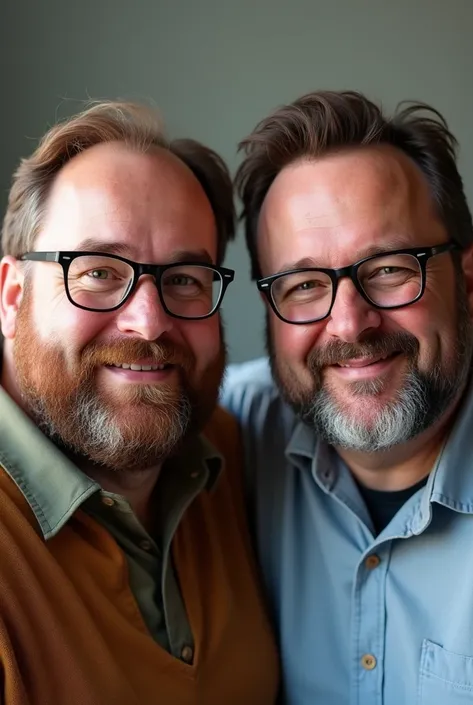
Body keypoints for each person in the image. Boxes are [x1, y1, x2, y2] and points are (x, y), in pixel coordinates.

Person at [0, 100, 279, 705]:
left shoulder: (227, 452)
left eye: (183, 279)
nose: (149, 324)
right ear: (12, 295)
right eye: (98, 271)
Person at [222, 90, 473, 705]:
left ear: (467, 278)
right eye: (305, 285)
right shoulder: (231, 434)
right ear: (269, 308)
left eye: (389, 267)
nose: (349, 325)